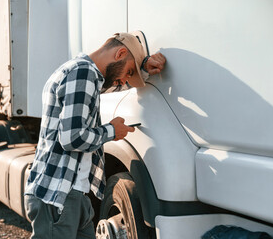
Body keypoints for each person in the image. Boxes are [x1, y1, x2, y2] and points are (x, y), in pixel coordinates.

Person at [24, 31, 166, 239]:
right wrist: (112, 131)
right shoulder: (82, 74)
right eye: (128, 71)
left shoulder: (81, 72)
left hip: (72, 194)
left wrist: (142, 67)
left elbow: (111, 84)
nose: (123, 80)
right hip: (59, 195)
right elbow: (71, 138)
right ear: (120, 53)